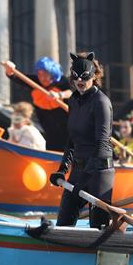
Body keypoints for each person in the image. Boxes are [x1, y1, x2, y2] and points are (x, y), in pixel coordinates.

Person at [50, 52, 115, 228]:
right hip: (78, 171)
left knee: (98, 227)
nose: (79, 81)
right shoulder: (73, 100)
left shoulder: (101, 102)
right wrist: (62, 169)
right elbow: (72, 139)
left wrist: (85, 178)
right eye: (76, 77)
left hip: (98, 173)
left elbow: (102, 144)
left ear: (93, 76)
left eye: (84, 77)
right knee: (63, 223)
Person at [2, 56, 71, 151]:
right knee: (52, 144)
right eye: (39, 74)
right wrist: (9, 70)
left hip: (67, 125)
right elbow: (16, 77)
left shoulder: (62, 81)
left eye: (45, 74)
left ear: (52, 73)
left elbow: (72, 92)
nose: (42, 78)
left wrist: (59, 95)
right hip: (48, 125)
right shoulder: (35, 81)